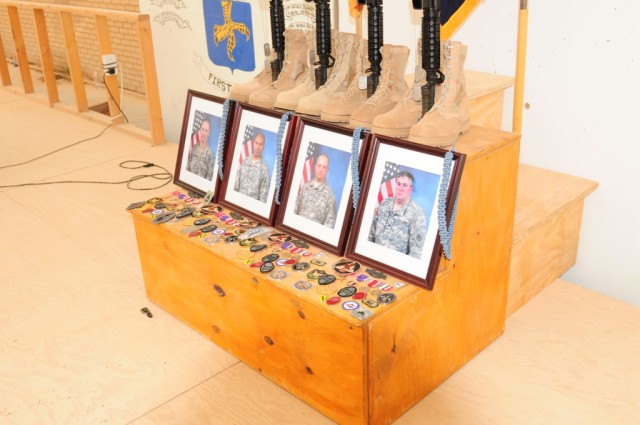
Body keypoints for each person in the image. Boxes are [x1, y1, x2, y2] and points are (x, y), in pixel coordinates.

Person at [368, 171, 427, 259]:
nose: (400, 188)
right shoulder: (384, 203)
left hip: (395, 264)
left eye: (405, 185)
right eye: (398, 184)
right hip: (373, 256)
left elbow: (416, 252)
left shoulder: (417, 213)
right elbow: (371, 233)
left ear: (411, 189)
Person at [294, 153, 337, 228]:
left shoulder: (330, 195)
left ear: (327, 170)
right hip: (297, 228)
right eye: (319, 165)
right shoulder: (305, 186)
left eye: (324, 167)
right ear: (315, 167)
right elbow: (294, 209)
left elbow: (329, 224)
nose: (320, 169)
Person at [233, 132, 270, 202]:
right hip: (237, 202)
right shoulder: (245, 161)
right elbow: (236, 186)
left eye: (260, 144)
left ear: (263, 147)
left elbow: (263, 197)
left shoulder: (264, 169)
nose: (257, 147)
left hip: (251, 208)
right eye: (256, 143)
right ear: (253, 143)